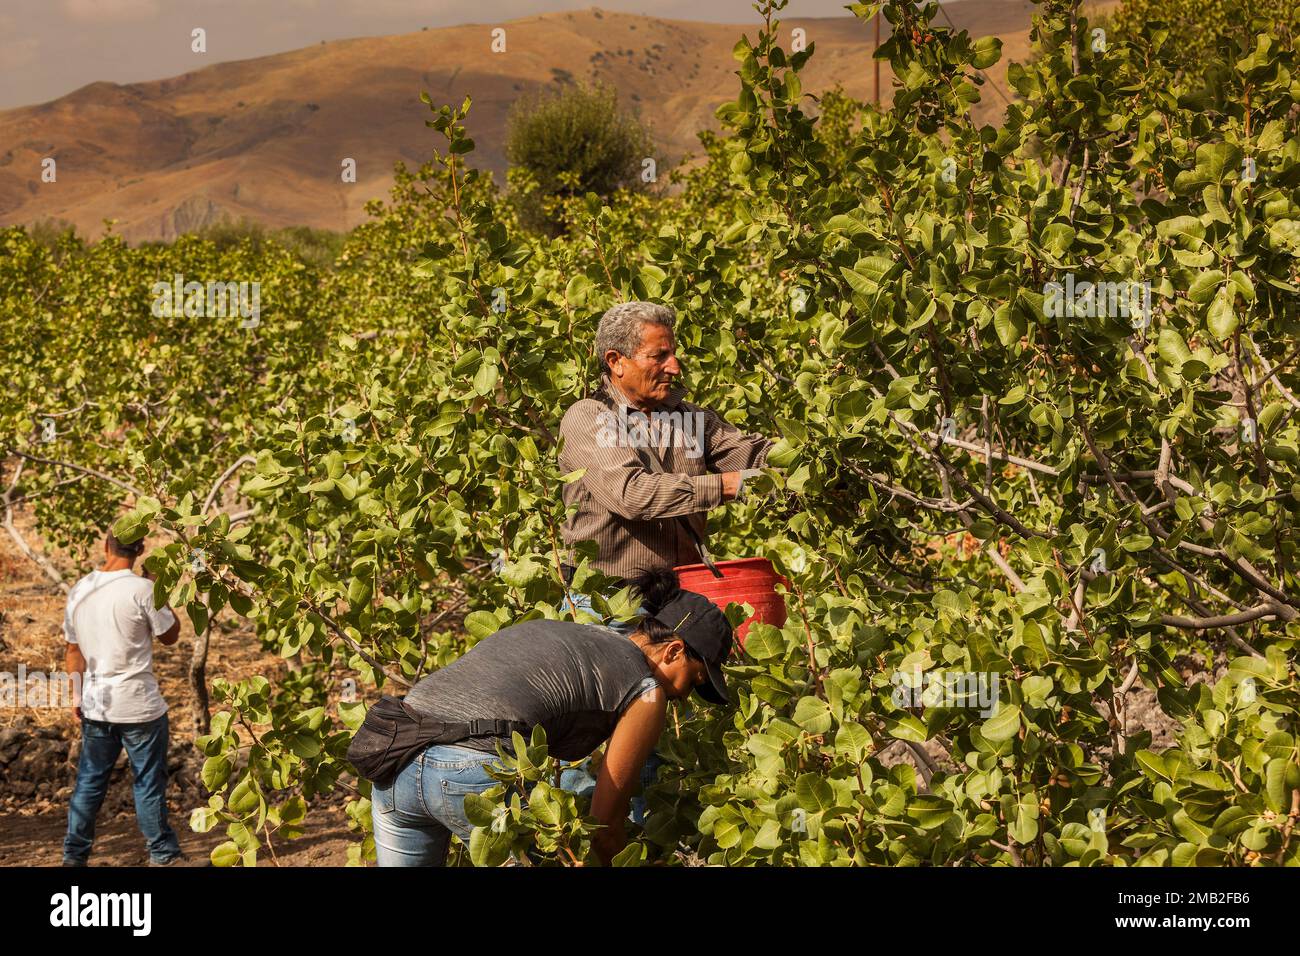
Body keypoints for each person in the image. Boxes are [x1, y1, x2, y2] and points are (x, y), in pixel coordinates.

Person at [368, 570, 734, 866]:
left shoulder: (566, 631)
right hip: (467, 771)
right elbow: (605, 828)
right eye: (696, 678)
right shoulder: (647, 690)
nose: (686, 696)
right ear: (673, 650)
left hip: (393, 753)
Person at [558, 300, 773, 615]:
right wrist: (726, 486)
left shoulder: (690, 419)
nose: (674, 367)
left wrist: (817, 461)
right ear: (616, 361)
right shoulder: (589, 417)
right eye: (659, 356)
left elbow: (757, 457)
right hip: (604, 602)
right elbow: (632, 494)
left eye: (673, 354)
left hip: (678, 597)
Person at [62, 530, 188, 867]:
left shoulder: (81, 589)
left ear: (106, 546)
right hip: (139, 707)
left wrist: (76, 693)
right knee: (147, 782)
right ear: (141, 549)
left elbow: (73, 650)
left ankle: (74, 858)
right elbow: (171, 636)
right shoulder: (143, 590)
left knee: (89, 782)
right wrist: (158, 587)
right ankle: (162, 856)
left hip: (97, 704)